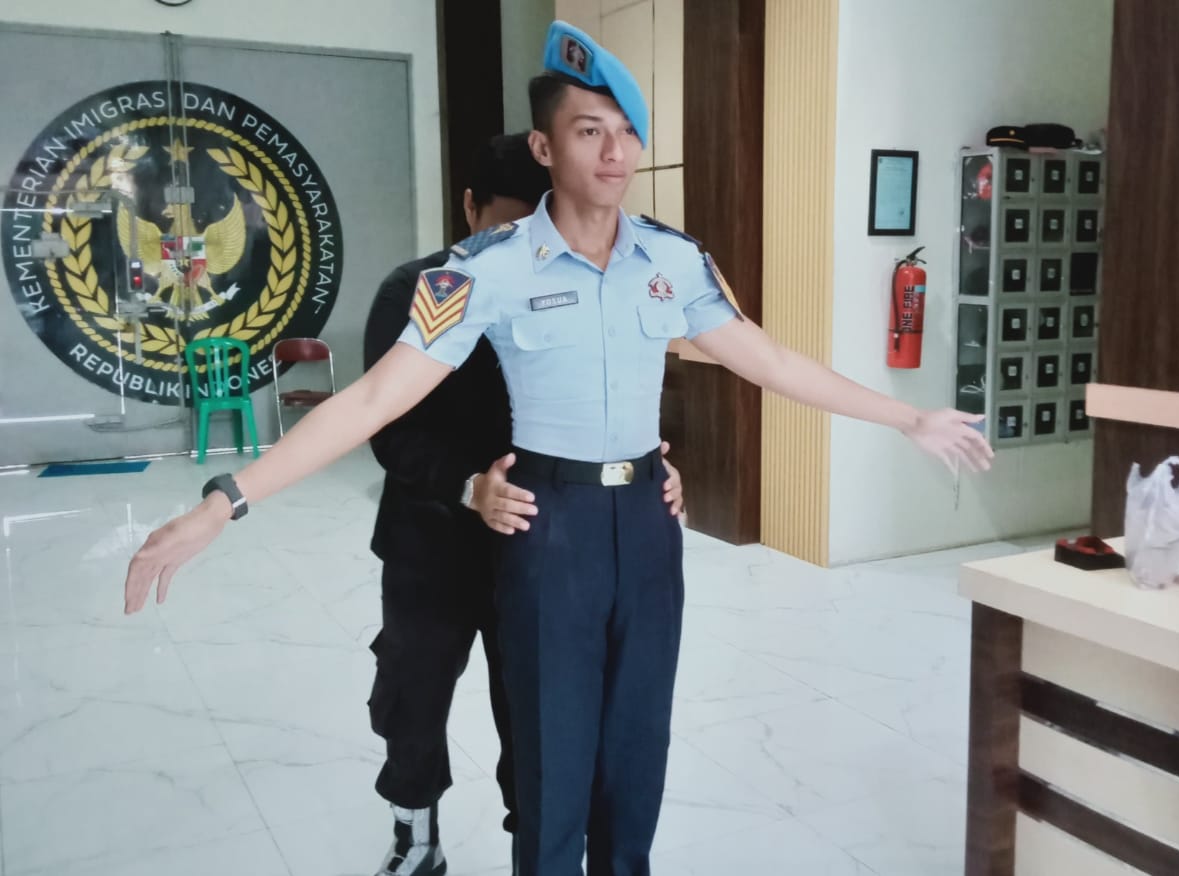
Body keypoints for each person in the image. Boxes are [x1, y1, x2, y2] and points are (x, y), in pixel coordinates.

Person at [124, 20, 993, 876]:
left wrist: (905, 418)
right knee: (549, 763)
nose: (615, 153)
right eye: (589, 131)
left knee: (637, 754)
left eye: (626, 132)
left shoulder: (673, 260)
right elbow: (373, 401)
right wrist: (225, 502)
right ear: (543, 147)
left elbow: (769, 361)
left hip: (646, 522)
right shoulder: (483, 269)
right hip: (551, 527)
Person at [362, 132, 684, 876]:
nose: (522, 240)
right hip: (433, 542)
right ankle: (415, 834)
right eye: (505, 222)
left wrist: (647, 466)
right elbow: (388, 428)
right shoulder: (424, 288)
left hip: (543, 545)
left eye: (536, 220)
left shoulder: (577, 279)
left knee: (541, 718)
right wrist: (468, 485)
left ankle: (536, 843)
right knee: (413, 695)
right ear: (468, 207)